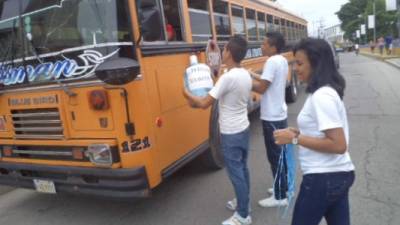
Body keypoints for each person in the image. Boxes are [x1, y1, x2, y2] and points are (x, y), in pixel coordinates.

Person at [273, 38, 355, 225]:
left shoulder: (321, 97)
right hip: (337, 175)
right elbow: (326, 133)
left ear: (316, 63)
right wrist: (299, 133)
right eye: (294, 63)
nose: (295, 69)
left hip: (322, 179)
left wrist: (295, 139)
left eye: (300, 63)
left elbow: (338, 144)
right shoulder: (323, 92)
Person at [183, 35, 252, 225]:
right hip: (244, 129)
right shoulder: (244, 73)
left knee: (235, 172)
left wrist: (186, 93)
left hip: (231, 133)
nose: (222, 51)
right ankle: (244, 202)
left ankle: (243, 215)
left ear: (229, 53)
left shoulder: (227, 78)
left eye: (224, 48)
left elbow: (205, 103)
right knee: (242, 169)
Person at [248, 31, 289, 208]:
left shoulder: (271, 61)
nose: (261, 46)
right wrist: (252, 74)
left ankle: (280, 196)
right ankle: (284, 188)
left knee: (275, 156)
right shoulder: (281, 60)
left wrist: (241, 79)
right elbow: (268, 80)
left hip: (271, 116)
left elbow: (262, 88)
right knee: (280, 155)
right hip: (279, 114)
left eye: (264, 44)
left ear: (273, 47)